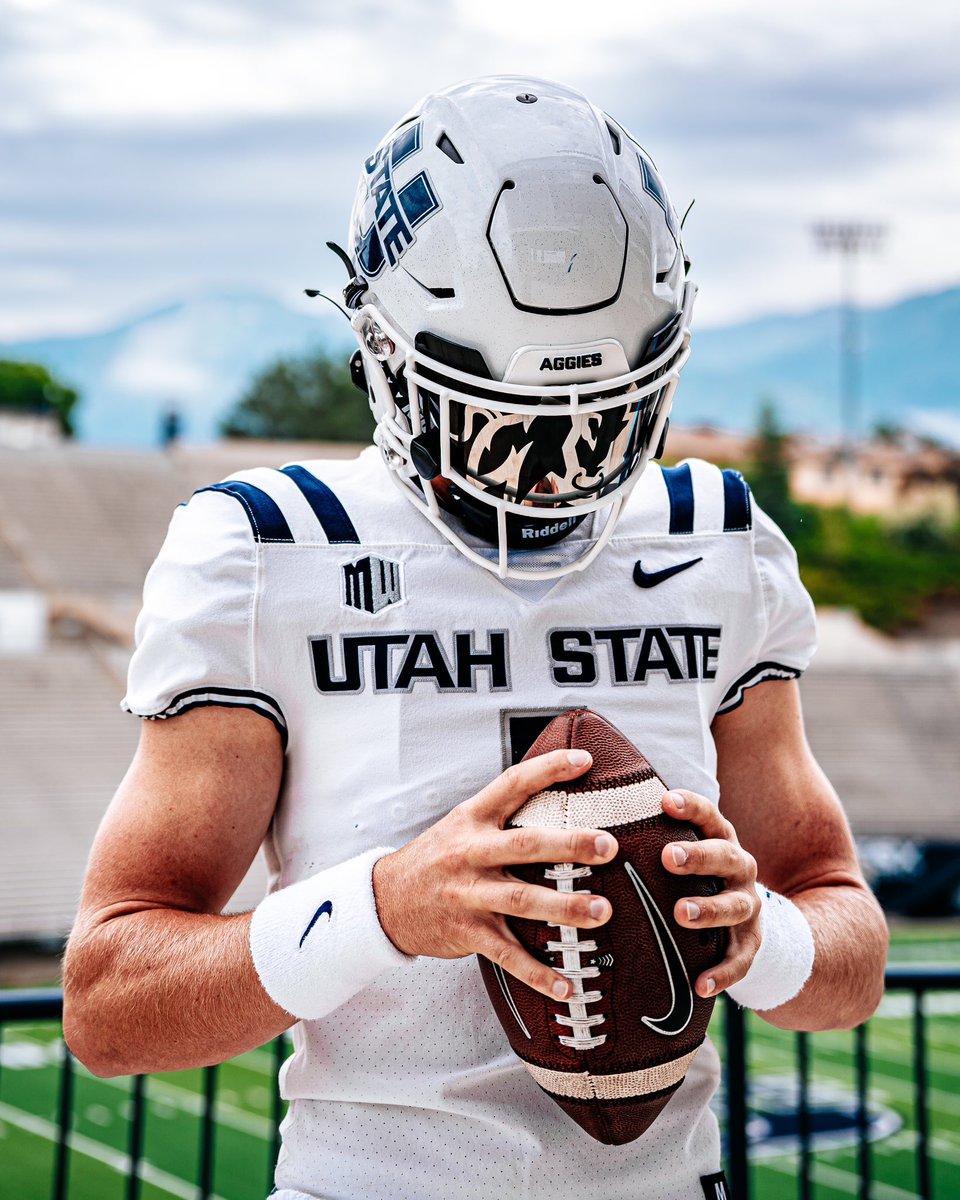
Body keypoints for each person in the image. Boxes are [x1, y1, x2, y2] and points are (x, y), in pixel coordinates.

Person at [63, 76, 888, 1200]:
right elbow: (111, 1009)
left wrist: (766, 937)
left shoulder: (715, 544)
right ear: (384, 354)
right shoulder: (267, 553)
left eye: (604, 420)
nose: (557, 470)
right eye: (506, 426)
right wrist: (386, 908)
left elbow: (848, 956)